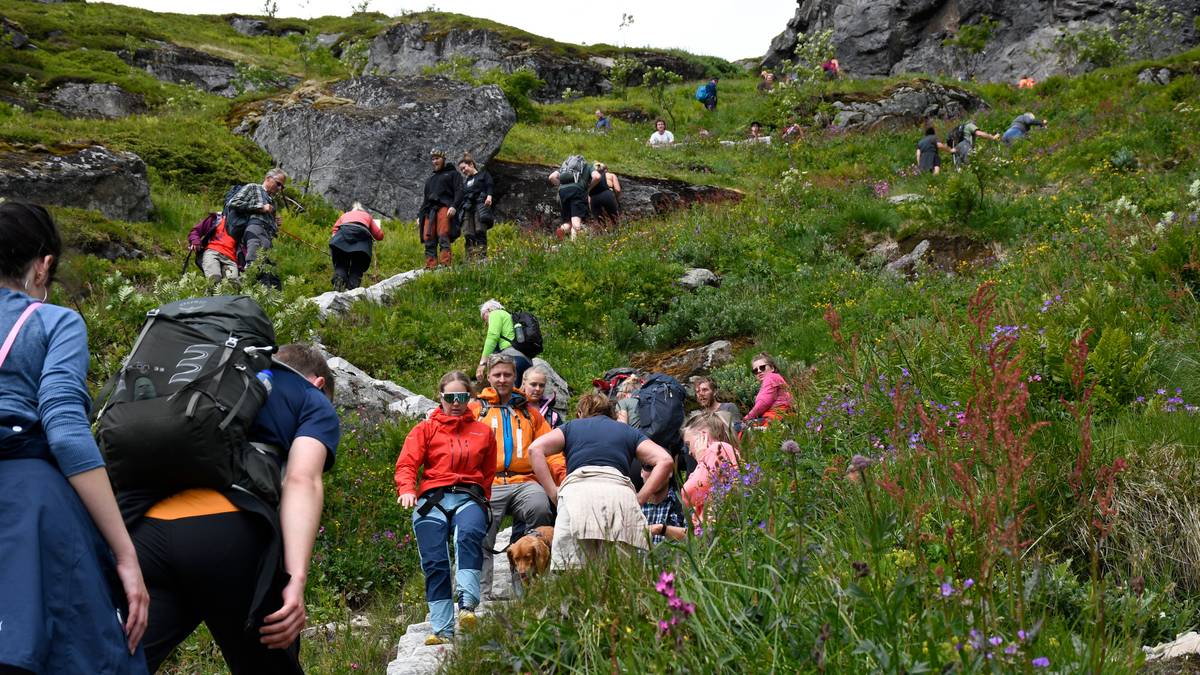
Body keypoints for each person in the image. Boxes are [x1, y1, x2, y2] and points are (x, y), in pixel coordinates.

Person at [0, 202, 149, 674]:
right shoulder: (52, 322)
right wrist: (126, 555)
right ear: (43, 265)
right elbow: (64, 431)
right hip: (28, 506)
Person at [131, 344, 340, 674]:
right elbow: (302, 480)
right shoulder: (311, 398)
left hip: (148, 531)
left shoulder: (218, 379)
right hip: (227, 535)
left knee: (120, 662)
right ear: (318, 384)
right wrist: (296, 580)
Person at [394, 371, 496, 645]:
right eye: (449, 397)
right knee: (434, 561)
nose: (455, 402)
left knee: (468, 535)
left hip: (468, 496)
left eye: (461, 397)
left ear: (470, 398)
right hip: (432, 500)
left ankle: (467, 606)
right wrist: (406, 489)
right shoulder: (425, 429)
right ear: (440, 397)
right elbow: (407, 463)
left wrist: (482, 499)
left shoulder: (484, 432)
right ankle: (442, 629)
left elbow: (488, 472)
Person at [528, 393, 673, 569]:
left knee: (572, 572)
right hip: (619, 496)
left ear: (580, 413)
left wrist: (553, 492)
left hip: (578, 495)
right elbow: (665, 460)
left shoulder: (571, 427)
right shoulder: (628, 431)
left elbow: (535, 449)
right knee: (618, 575)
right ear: (611, 412)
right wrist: (640, 497)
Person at [471, 353, 560, 599]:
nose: (502, 379)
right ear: (488, 377)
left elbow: (551, 449)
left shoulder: (530, 413)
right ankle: (480, 595)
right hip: (490, 482)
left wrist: (560, 479)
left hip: (525, 481)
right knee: (479, 527)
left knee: (540, 506)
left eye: (507, 374)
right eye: (497, 374)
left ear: (515, 377)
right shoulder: (476, 410)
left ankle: (527, 590)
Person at [680, 413, 742, 526]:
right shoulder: (720, 450)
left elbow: (688, 494)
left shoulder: (716, 449)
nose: (689, 452)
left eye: (688, 444)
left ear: (702, 436)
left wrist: (701, 461)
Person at [225, 168, 287, 270]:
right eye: (278, 184)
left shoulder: (273, 201)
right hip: (254, 229)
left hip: (267, 235)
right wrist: (261, 207)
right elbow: (233, 203)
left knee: (265, 267)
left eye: (282, 186)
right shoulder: (253, 187)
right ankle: (247, 281)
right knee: (253, 263)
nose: (280, 188)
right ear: (268, 178)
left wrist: (275, 223)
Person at [418, 149, 463, 270]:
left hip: (445, 207)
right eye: (433, 159)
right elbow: (425, 200)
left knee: (443, 234)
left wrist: (454, 206)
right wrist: (420, 215)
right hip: (429, 211)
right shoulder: (430, 180)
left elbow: (459, 191)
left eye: (437, 158)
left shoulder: (453, 174)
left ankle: (445, 264)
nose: (435, 161)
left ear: (443, 159)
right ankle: (430, 266)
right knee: (428, 238)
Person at [328, 202, 384, 291]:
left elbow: (334, 231)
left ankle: (340, 277)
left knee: (341, 264)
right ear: (362, 211)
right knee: (357, 269)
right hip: (362, 244)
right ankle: (351, 290)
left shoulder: (345, 215)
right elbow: (379, 235)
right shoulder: (367, 216)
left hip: (341, 239)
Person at [475, 299, 531, 386]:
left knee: (509, 396)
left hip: (512, 360)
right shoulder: (508, 316)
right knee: (520, 397)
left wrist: (482, 363)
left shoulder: (495, 313)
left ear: (488, 310)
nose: (486, 322)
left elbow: (492, 336)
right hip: (525, 360)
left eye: (484, 317)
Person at [548, 158, 600, 241]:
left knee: (568, 222)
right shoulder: (588, 166)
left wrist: (561, 186)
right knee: (576, 222)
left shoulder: (566, 166)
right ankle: (573, 246)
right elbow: (597, 177)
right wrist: (588, 189)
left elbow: (551, 177)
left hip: (563, 192)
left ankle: (558, 236)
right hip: (577, 191)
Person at [457, 154, 495, 262]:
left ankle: (481, 257)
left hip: (480, 205)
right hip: (468, 207)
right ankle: (469, 259)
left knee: (480, 230)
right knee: (468, 233)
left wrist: (489, 196)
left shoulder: (483, 175)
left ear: (471, 164)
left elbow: (489, 185)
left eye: (464, 168)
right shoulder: (466, 182)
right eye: (461, 170)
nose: (463, 171)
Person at [188, 213, 241, 286]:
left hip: (230, 259)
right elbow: (195, 231)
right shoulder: (216, 219)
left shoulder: (242, 225)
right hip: (212, 252)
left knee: (233, 284)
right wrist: (195, 241)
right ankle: (210, 295)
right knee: (214, 279)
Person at [640, 461, 686, 544]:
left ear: (670, 472)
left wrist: (662, 529)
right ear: (641, 472)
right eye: (648, 467)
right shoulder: (631, 504)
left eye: (660, 467)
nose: (655, 473)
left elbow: (695, 537)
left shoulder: (683, 501)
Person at [744, 352, 793, 425]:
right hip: (782, 417)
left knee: (736, 427)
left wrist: (747, 418)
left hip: (775, 419)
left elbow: (763, 403)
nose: (759, 371)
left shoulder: (770, 377)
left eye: (762, 367)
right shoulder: (776, 378)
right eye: (755, 370)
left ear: (772, 368)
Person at [588, 161, 621, 229]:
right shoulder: (611, 175)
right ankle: (616, 234)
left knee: (600, 222)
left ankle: (601, 236)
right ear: (606, 169)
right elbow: (618, 190)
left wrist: (591, 207)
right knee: (615, 220)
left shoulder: (592, 177)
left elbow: (589, 194)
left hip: (594, 197)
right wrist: (616, 199)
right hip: (608, 195)